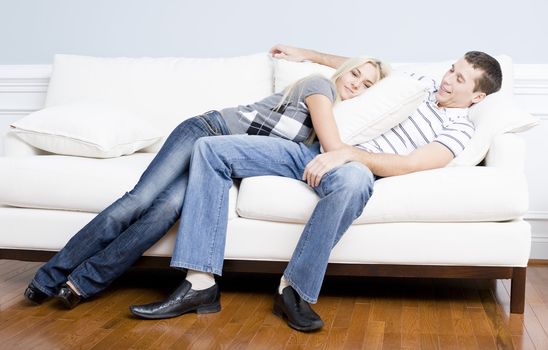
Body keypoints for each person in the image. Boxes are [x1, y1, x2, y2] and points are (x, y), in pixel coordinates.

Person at [129, 45, 503, 332]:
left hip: (355, 166)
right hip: (309, 149)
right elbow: (357, 65)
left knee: (355, 182)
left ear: (477, 96)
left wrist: (345, 155)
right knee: (209, 149)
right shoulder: (419, 83)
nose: (447, 79)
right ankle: (199, 283)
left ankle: (293, 290)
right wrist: (305, 54)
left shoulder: (460, 129)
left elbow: (410, 165)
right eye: (451, 69)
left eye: (459, 79)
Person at [24, 55, 389, 310]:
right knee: (139, 201)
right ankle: (47, 277)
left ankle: (81, 283)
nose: (357, 85)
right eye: (355, 74)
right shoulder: (319, 85)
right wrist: (312, 56)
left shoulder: (344, 113)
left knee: (163, 213)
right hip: (204, 131)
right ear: (344, 70)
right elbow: (333, 147)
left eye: (367, 84)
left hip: (218, 160)